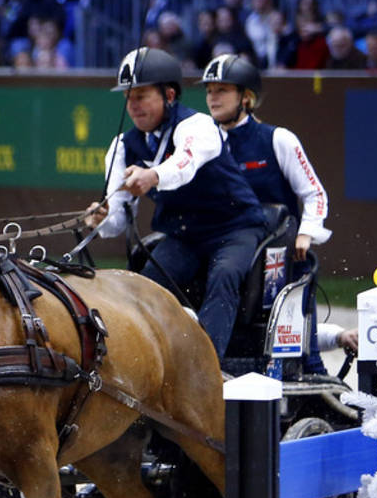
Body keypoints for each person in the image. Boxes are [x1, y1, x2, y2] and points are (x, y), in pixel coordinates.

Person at [86, 48, 267, 362]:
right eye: (129, 97)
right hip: (184, 236)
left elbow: (185, 164)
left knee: (223, 276)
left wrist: (153, 175)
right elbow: (116, 220)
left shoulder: (198, 126)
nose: (133, 105)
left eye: (141, 96)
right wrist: (101, 217)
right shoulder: (121, 146)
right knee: (145, 287)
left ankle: (206, 366)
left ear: (169, 94)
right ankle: (139, 360)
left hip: (235, 229)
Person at [200, 54, 332, 373]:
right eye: (209, 91)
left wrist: (306, 232)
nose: (213, 98)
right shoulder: (201, 142)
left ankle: (312, 369)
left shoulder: (278, 139)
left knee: (308, 361)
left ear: (246, 98)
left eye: (222, 90)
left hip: (274, 254)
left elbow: (315, 193)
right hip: (221, 245)